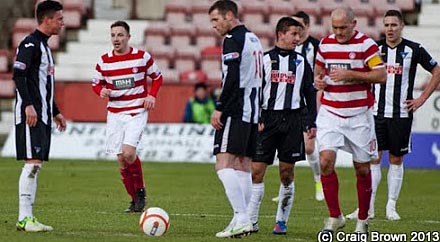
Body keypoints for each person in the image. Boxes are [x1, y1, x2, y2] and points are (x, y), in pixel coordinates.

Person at [346, 10, 440, 221]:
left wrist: (421, 99)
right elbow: (359, 74)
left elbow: (437, 71)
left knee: (396, 159)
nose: (389, 29)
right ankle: (367, 208)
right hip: (375, 114)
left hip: (401, 115)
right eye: (386, 25)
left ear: (402, 26)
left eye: (393, 25)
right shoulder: (374, 49)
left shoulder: (414, 49)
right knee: (373, 159)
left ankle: (391, 207)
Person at [314, 7, 387, 233]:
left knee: (363, 168)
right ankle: (335, 216)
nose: (339, 31)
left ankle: (363, 220)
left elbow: (381, 75)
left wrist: (351, 74)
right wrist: (319, 82)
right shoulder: (325, 44)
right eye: (335, 27)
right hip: (331, 112)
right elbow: (319, 70)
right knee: (325, 161)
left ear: (354, 24)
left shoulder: (367, 46)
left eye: (343, 27)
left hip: (358, 115)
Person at [247, 17, 317, 235]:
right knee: (257, 171)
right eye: (294, 34)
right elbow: (255, 91)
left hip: (292, 121)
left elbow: (309, 93)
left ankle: (281, 221)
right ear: (280, 35)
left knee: (287, 173)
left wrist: (311, 122)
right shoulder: (265, 60)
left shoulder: (302, 62)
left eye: (299, 34)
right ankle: (251, 221)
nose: (298, 38)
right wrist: (255, 117)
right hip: (267, 121)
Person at [92, 20, 163, 213]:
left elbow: (157, 77)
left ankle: (140, 192)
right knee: (121, 159)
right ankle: (134, 202)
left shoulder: (141, 57)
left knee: (129, 153)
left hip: (136, 112)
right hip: (115, 113)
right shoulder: (104, 61)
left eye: (120, 35)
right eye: (113, 35)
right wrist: (101, 91)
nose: (116, 39)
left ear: (128, 37)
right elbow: (96, 84)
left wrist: (151, 95)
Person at [208, 0, 263, 238]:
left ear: (229, 16)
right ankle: (244, 220)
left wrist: (220, 107)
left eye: (215, 19)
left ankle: (242, 217)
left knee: (223, 164)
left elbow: (231, 77)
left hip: (236, 109)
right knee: (242, 165)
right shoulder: (254, 39)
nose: (213, 26)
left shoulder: (233, 40)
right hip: (251, 111)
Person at [13, 0, 66, 232]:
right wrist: (28, 106)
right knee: (32, 164)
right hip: (31, 115)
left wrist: (55, 111)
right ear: (47, 19)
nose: (62, 23)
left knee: (36, 165)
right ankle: (24, 218)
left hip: (43, 114)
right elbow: (18, 75)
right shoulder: (30, 44)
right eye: (60, 19)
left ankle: (28, 218)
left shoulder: (45, 47)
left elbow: (43, 85)